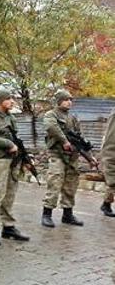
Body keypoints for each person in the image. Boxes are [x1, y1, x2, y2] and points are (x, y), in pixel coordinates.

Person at [0, 89, 30, 245]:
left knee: (9, 194)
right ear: (0, 101)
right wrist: (8, 144)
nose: (12, 101)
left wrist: (25, 157)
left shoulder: (11, 117)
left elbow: (16, 138)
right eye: (9, 99)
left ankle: (8, 227)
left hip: (12, 161)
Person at [40, 90, 96, 227]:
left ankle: (68, 214)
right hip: (57, 155)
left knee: (71, 185)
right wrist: (65, 141)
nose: (69, 102)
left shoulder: (73, 118)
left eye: (71, 99)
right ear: (59, 101)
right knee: (54, 183)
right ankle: (46, 214)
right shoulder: (50, 115)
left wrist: (90, 158)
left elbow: (79, 141)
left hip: (73, 157)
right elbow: (51, 127)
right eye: (66, 99)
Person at [102, 108, 115, 217]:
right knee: (112, 181)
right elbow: (111, 140)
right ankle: (106, 204)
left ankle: (106, 204)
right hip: (112, 153)